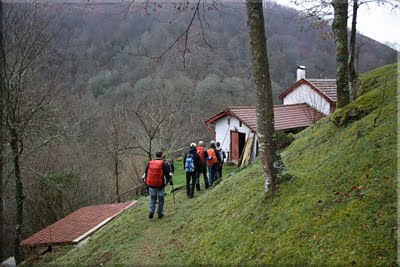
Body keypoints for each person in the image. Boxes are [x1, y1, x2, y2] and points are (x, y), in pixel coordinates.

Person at [144, 151, 173, 219]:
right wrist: (169, 180)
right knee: (161, 199)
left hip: (151, 184)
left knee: (153, 198)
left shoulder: (150, 163)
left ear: (155, 156)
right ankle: (160, 213)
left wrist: (146, 182)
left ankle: (151, 210)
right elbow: (166, 174)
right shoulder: (163, 164)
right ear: (161, 156)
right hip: (160, 184)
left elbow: (146, 172)